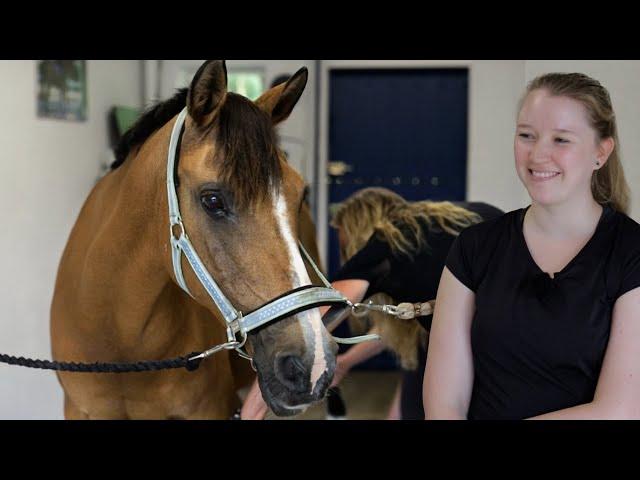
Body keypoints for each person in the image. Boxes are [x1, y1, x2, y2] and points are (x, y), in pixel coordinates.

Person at [424, 73, 640, 420]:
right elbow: (444, 403)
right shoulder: (474, 247)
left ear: (601, 152)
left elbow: (622, 409)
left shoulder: (630, 253)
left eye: (561, 140)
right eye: (527, 135)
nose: (538, 154)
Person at [240, 187, 503, 419]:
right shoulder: (462, 216)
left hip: (493, 359)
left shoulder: (384, 244)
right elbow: (403, 329)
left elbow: (307, 327)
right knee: (422, 353)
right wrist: (347, 361)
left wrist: (251, 412)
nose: (348, 256)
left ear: (359, 230)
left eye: (346, 246)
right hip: (530, 329)